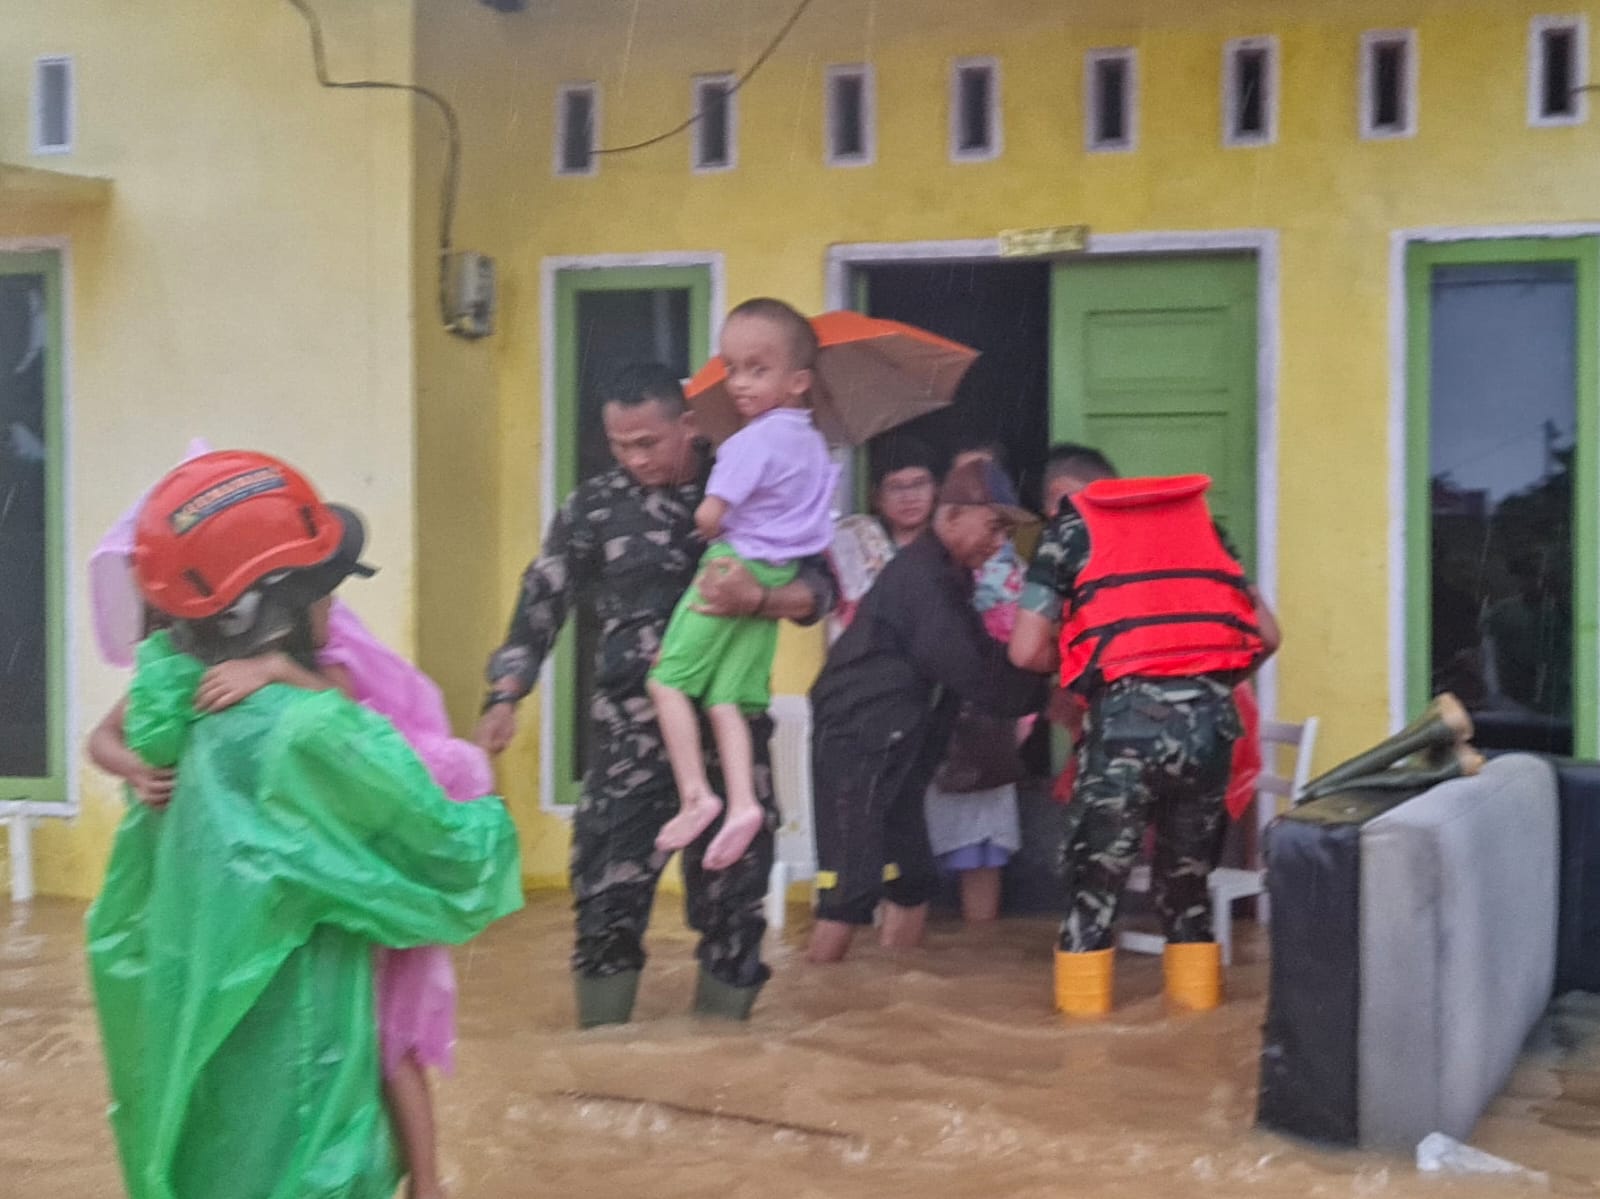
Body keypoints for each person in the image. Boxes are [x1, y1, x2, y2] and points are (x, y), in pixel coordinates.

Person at [85, 450, 521, 1199]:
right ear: (269, 607)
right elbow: (455, 856)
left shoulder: (166, 710)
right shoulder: (309, 732)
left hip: (201, 1050)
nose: (333, 608)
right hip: (302, 1066)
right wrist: (478, 781)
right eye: (320, 589)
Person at [475, 362, 836, 1027]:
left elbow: (819, 590)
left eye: (648, 442)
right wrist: (506, 694)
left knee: (736, 908)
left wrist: (758, 598)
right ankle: (602, 1058)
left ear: (687, 425)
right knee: (605, 902)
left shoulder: (743, 481)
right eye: (620, 445)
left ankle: (725, 1057)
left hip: (729, 732)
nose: (635, 458)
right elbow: (542, 597)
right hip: (629, 737)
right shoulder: (595, 506)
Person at [1009, 447, 1281, 1016]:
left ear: (1061, 496)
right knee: (1188, 897)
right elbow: (1267, 635)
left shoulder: (1068, 532)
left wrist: (1086, 662)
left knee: (1092, 903)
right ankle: (1198, 1035)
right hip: (1210, 733)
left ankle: (1082, 1054)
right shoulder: (1203, 529)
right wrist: (1204, 679)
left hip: (1125, 735)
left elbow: (1025, 650)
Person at [806, 457, 1048, 964]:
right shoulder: (925, 580)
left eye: (1006, 532)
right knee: (848, 887)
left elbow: (977, 661)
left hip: (903, 743)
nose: (999, 542)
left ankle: (897, 984)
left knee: (911, 875)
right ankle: (817, 987)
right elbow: (972, 671)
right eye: (993, 527)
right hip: (859, 740)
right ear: (953, 515)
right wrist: (1047, 687)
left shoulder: (951, 577)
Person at [648, 298, 839, 871]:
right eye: (732, 368)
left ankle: (695, 794)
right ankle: (742, 804)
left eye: (757, 370)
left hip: (732, 567)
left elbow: (710, 516)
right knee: (725, 699)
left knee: (666, 682)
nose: (739, 383)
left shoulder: (750, 442)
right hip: (778, 573)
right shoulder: (815, 444)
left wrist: (706, 522)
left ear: (799, 380)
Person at [921, 445, 1031, 924]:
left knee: (982, 847)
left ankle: (978, 944)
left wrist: (1021, 717)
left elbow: (1023, 655)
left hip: (986, 724)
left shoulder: (1016, 577)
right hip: (929, 720)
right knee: (909, 845)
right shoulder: (926, 569)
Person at [828, 436, 939, 632]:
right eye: (896, 487)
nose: (909, 496)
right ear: (877, 496)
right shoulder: (858, 538)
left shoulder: (949, 544)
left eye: (919, 484)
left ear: (936, 489)